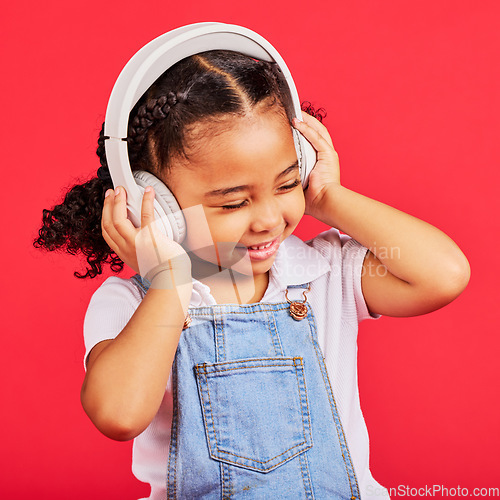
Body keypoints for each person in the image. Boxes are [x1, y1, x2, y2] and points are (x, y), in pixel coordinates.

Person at [34, 37, 470, 499]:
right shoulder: (134, 303)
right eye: (235, 202)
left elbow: (444, 274)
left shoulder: (324, 272)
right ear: (159, 205)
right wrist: (169, 283)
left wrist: (330, 199)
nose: (268, 219)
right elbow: (119, 414)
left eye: (286, 185)